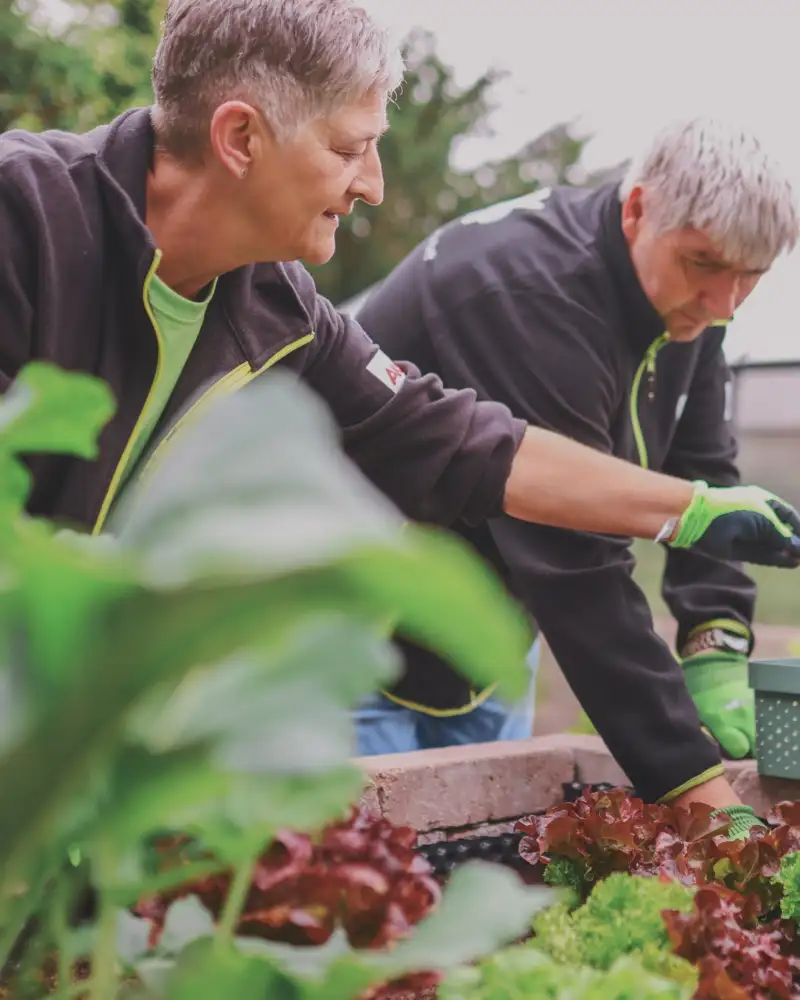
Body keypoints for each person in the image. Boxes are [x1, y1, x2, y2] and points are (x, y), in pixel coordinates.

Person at [0, 1, 797, 834]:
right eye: (349, 149)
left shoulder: (279, 306)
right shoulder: (23, 221)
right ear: (240, 139)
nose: (373, 183)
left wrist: (690, 512)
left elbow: (459, 439)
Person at [352, 116, 800, 832]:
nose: (725, 304)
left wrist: (714, 643)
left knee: (480, 868)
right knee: (357, 899)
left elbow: (704, 476)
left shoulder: (692, 309)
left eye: (753, 276)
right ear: (637, 209)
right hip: (352, 639)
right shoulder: (524, 293)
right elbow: (576, 562)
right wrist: (696, 787)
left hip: (490, 639)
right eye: (706, 264)